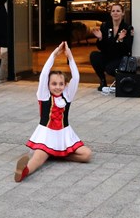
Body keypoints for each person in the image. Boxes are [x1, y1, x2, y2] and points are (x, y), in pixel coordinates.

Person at [15, 42, 92, 182]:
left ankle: (56, 154)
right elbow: (44, 74)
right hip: (46, 135)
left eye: (61, 84)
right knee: (38, 158)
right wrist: (54, 54)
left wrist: (70, 56)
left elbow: (76, 77)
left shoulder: (67, 96)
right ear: (48, 85)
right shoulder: (44, 96)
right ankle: (24, 172)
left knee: (86, 155)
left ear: (65, 85)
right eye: (54, 84)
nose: (58, 87)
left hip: (64, 135)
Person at [88, 3, 134, 91]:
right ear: (110, 13)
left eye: (118, 11)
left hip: (120, 57)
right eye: (113, 11)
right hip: (108, 55)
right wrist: (100, 38)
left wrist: (119, 40)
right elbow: (101, 47)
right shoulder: (105, 26)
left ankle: (119, 80)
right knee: (94, 55)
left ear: (123, 13)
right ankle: (102, 80)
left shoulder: (127, 28)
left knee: (109, 68)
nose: (115, 13)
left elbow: (127, 48)